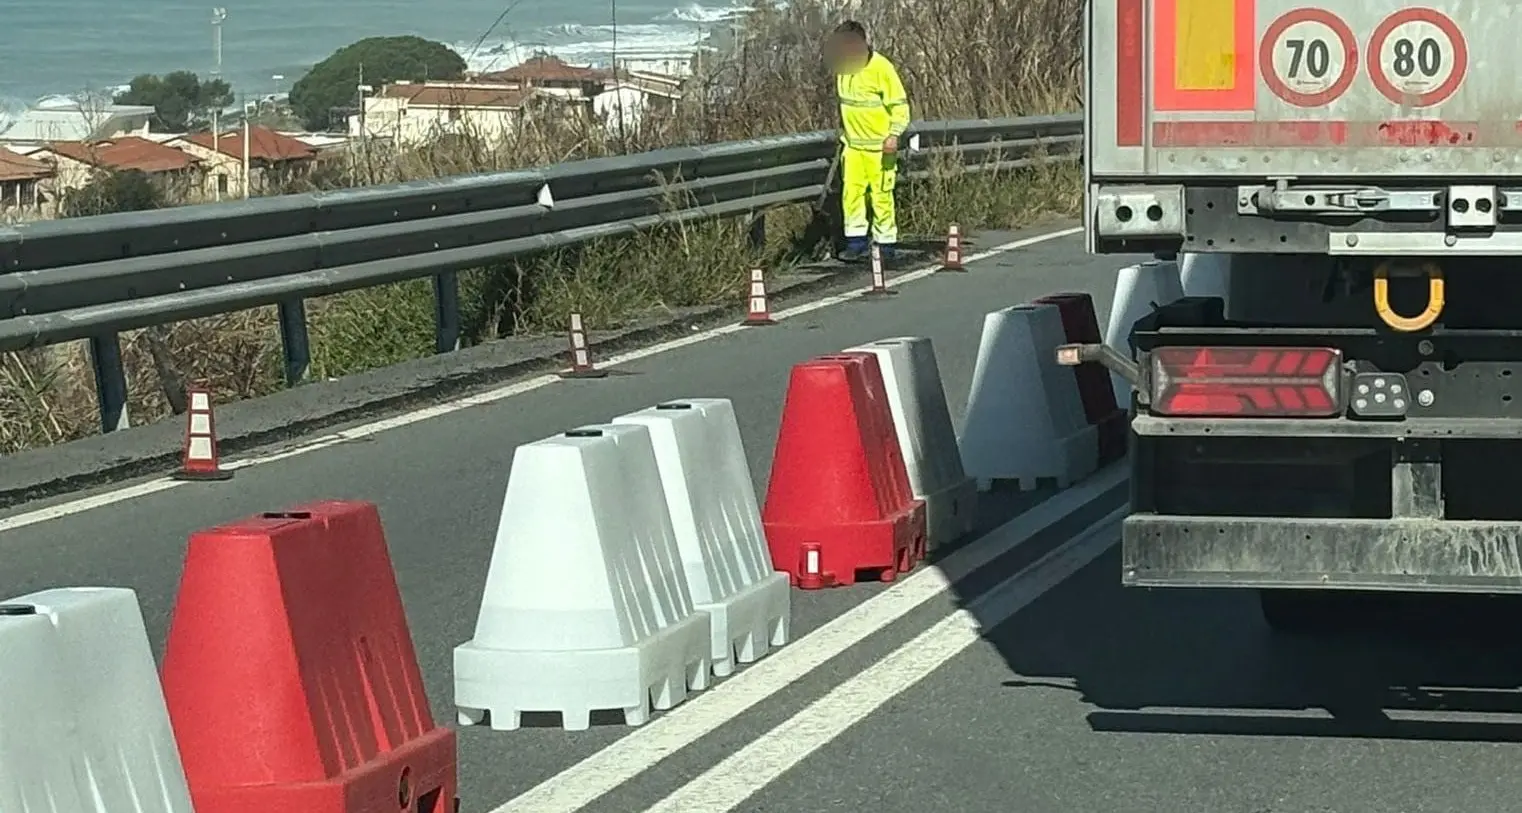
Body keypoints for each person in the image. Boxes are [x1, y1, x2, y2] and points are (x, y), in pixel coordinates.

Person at [826, 20, 911, 263]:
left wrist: (894, 134)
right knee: (851, 195)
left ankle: (885, 245)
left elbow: (900, 106)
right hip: (853, 147)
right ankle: (856, 242)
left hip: (881, 148)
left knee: (881, 196)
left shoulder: (881, 68)